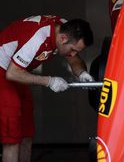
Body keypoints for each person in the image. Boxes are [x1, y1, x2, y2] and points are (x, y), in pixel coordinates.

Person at [0, 15, 94, 162]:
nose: (74, 54)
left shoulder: (64, 28)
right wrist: (49, 82)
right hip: (4, 72)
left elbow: (74, 59)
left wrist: (82, 73)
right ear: (62, 38)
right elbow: (12, 74)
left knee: (26, 132)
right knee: (12, 137)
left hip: (17, 70)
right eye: (73, 50)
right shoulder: (37, 37)